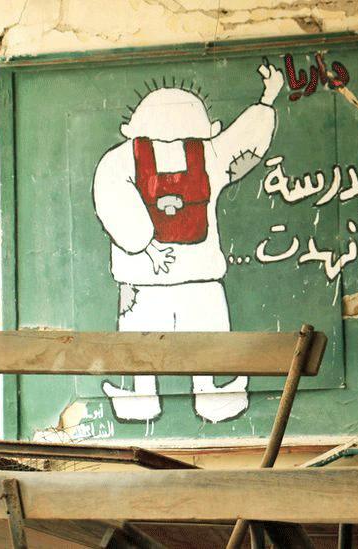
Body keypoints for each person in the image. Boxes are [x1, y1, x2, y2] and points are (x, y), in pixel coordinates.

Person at [92, 62, 283, 423]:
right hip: (152, 282)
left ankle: (189, 399)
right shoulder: (138, 159)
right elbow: (244, 143)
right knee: (145, 348)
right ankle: (158, 399)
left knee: (202, 346)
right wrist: (145, 243)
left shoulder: (204, 155)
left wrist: (267, 99)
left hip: (191, 279)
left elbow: (111, 198)